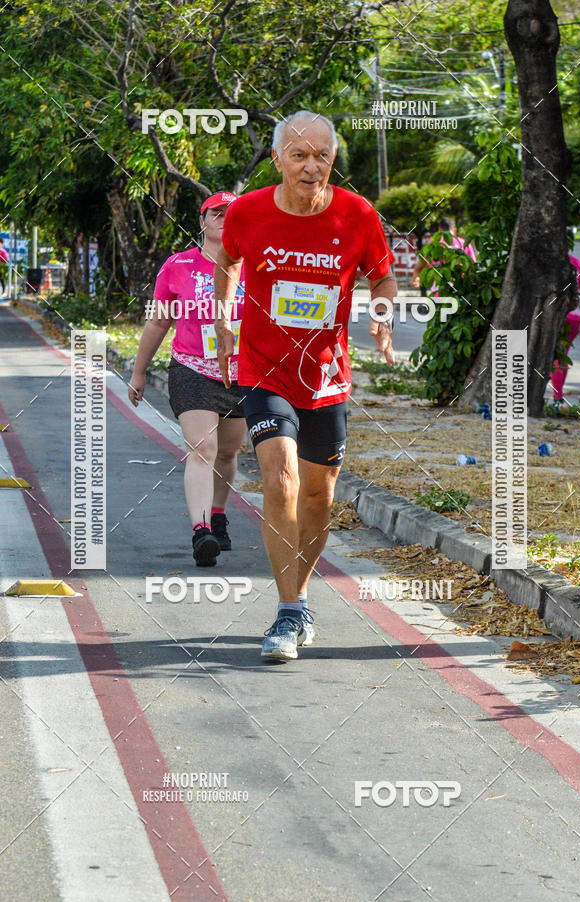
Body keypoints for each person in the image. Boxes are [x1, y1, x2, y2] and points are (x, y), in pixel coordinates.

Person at [214, 110, 396, 661]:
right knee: (283, 481)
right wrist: (224, 319)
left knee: (320, 495)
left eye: (322, 155)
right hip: (264, 370)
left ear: (333, 160)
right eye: (299, 155)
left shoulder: (357, 214)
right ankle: (288, 611)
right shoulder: (247, 213)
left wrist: (382, 313)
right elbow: (226, 259)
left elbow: (381, 273)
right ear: (277, 161)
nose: (312, 167)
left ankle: (302, 596)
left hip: (326, 375)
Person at [128, 191, 247, 566]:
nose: (225, 218)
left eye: (233, 213)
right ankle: (201, 532)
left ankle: (218, 513)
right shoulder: (178, 265)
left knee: (228, 453)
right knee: (202, 450)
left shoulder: (257, 265)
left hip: (243, 374)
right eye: (217, 213)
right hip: (191, 369)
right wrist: (138, 371)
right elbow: (158, 321)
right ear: (202, 220)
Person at [550, 252, 580, 406]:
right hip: (575, 316)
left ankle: (557, 398)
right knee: (563, 355)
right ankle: (558, 395)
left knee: (555, 356)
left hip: (557, 314)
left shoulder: (553, 262)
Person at [410, 217, 477, 292]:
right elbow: (473, 266)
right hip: (460, 287)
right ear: (455, 230)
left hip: (438, 289)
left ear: (439, 229)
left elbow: (420, 266)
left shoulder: (433, 244)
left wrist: (416, 277)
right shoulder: (464, 243)